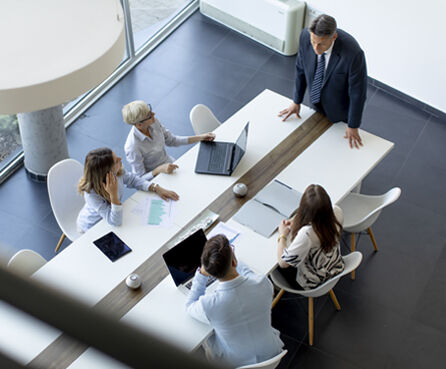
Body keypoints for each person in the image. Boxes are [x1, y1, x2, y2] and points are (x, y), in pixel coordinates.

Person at [186, 235, 284, 367]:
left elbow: (189, 305)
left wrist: (201, 275)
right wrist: (229, 257)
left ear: (211, 272)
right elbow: (248, 273)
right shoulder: (262, 283)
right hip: (272, 353)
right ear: (234, 262)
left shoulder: (208, 305)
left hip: (235, 364)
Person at [279, 14, 367, 149]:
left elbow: (357, 93)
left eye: (321, 44)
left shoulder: (353, 54)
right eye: (313, 42)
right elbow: (300, 70)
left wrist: (352, 125)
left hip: (339, 108)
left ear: (334, 37)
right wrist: (296, 101)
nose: (316, 48)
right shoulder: (305, 36)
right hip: (315, 101)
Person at [76, 147, 179, 233]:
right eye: (116, 161)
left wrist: (156, 188)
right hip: (92, 227)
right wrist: (113, 194)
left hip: (113, 218)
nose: (120, 159)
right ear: (107, 171)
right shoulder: (91, 195)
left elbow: (133, 180)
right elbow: (115, 221)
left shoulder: (117, 172)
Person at [122, 100, 216, 180]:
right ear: (139, 125)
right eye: (149, 115)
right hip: (156, 179)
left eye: (150, 111)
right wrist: (158, 170)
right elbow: (140, 178)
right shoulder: (132, 147)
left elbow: (172, 140)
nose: (154, 114)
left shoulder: (153, 122)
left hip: (171, 164)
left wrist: (200, 137)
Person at [276, 184, 344, 290]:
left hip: (312, 281)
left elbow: (283, 263)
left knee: (275, 269)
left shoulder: (307, 234)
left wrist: (282, 235)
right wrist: (297, 220)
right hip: (334, 265)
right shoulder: (337, 211)